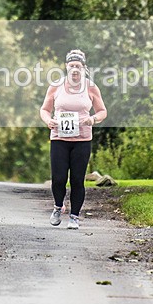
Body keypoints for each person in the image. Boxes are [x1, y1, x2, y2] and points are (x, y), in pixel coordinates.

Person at [39, 49, 107, 229]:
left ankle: (74, 217)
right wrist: (48, 120)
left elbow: (102, 111)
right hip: (59, 138)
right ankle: (57, 206)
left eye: (78, 66)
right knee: (59, 178)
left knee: (77, 179)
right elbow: (44, 109)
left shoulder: (91, 87)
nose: (75, 69)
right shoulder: (56, 86)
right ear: (66, 67)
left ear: (84, 68)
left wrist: (93, 119)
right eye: (72, 66)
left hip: (82, 140)